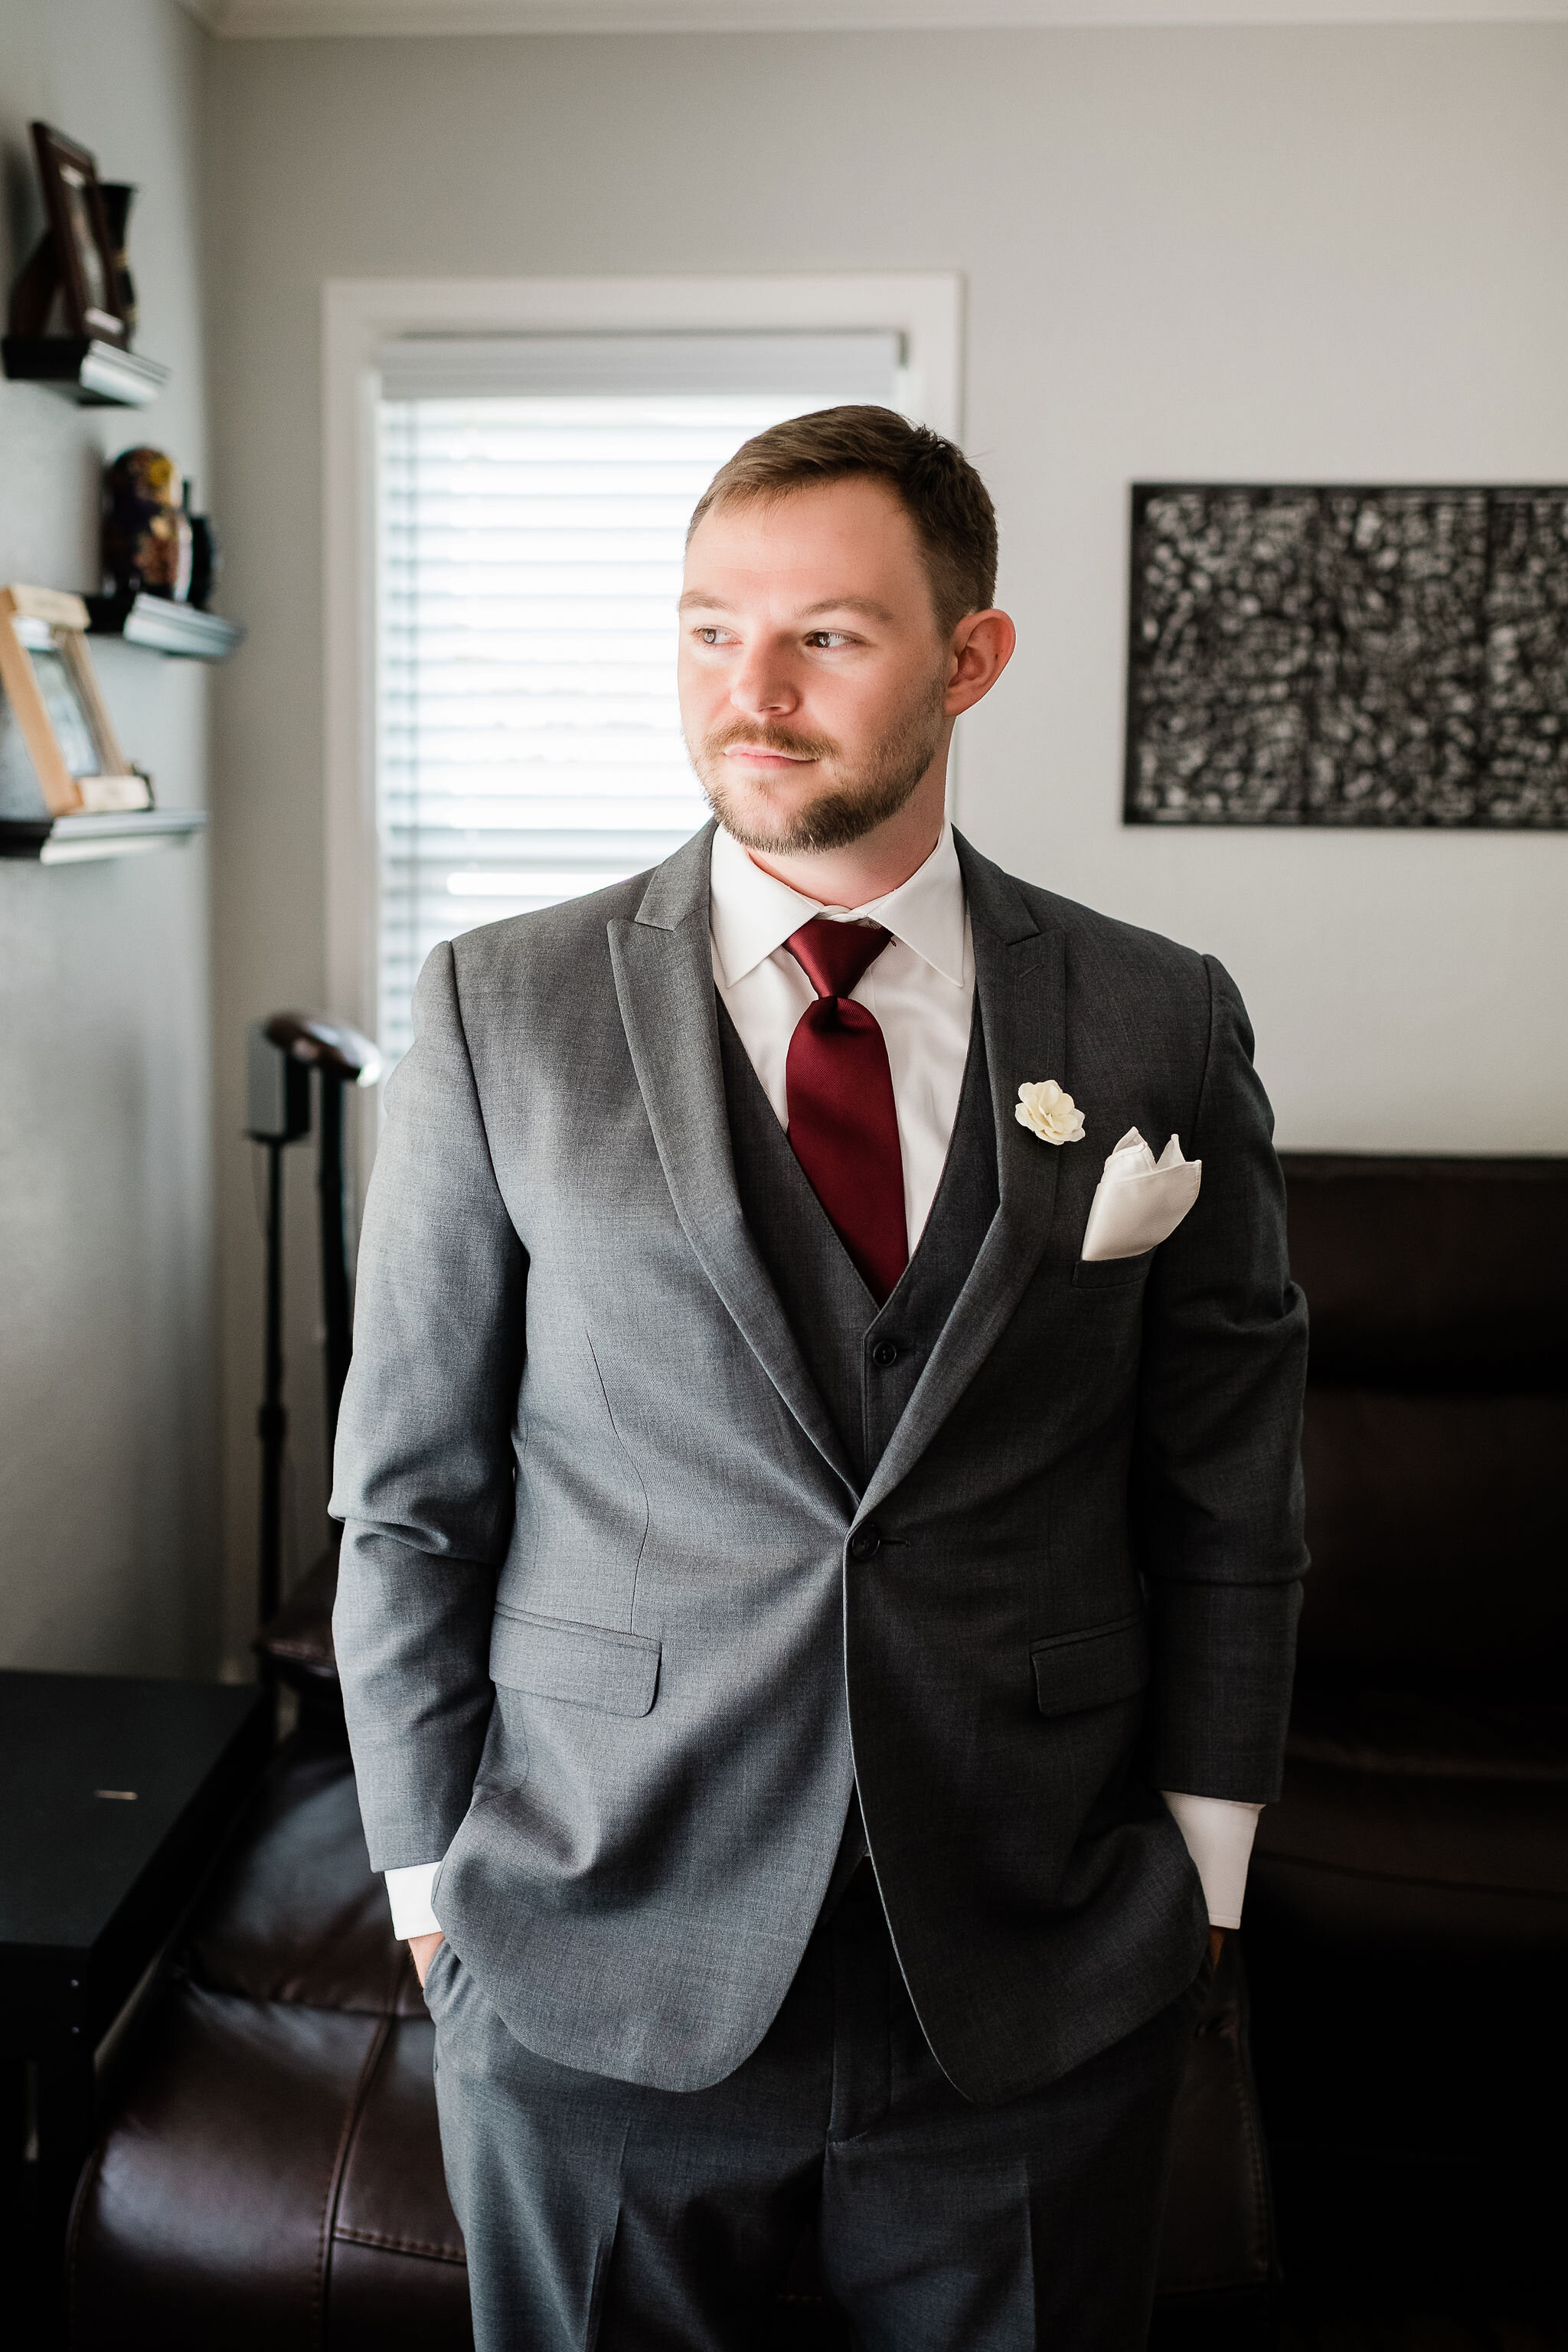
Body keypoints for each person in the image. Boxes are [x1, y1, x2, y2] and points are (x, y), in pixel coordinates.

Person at [332, 405, 1308, 2351]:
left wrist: (1200, 1882)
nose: (748, 695)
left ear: (969, 657)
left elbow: (1228, 1484)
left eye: (826, 639)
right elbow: (414, 1489)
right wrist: (434, 1898)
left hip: (1034, 1970)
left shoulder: (1153, 1014)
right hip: (594, 1960)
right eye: (709, 631)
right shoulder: (497, 1007)